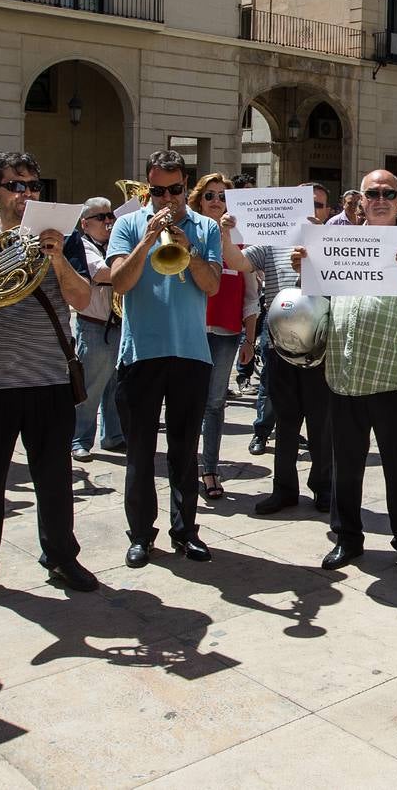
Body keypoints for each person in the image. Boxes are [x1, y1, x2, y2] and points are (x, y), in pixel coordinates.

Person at [0, 152, 98, 611]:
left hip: (48, 378)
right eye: (16, 185)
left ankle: (62, 558)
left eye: (33, 185)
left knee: (55, 478)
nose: (26, 194)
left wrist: (57, 261)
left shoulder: (61, 241)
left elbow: (84, 299)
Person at [306, 169, 397, 574]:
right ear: (359, 200)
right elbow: (320, 294)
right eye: (372, 193)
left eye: (387, 193)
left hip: (392, 376)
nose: (379, 199)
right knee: (346, 465)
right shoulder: (339, 242)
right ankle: (348, 538)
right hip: (344, 373)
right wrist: (303, 265)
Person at [108, 151, 223, 567]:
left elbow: (210, 287)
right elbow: (120, 281)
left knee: (183, 450)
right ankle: (140, 534)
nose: (167, 199)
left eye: (175, 190)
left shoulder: (206, 226)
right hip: (141, 353)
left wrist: (188, 248)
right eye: (158, 191)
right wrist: (147, 237)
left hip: (192, 352)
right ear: (148, 188)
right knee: (140, 451)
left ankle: (185, 530)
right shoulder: (126, 224)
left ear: (184, 186)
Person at [239, 181, 334, 515]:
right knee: (286, 420)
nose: (312, 211)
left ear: (328, 212)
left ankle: (323, 487)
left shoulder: (337, 244)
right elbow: (238, 262)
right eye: (307, 204)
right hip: (280, 347)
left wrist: (311, 269)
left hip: (320, 350)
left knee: (321, 423)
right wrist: (226, 231)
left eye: (320, 206)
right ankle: (284, 490)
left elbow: (345, 293)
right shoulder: (272, 241)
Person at [192, 173, 259, 499]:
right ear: (199, 200)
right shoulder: (185, 235)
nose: (216, 201)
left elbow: (250, 295)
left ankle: (209, 469)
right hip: (188, 333)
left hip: (225, 334)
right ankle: (184, 465)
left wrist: (249, 339)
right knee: (186, 402)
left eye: (222, 196)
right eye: (210, 196)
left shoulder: (242, 242)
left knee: (214, 404)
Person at [67, 196, 122, 462]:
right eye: (101, 217)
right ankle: (79, 439)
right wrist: (130, 268)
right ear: (85, 224)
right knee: (89, 388)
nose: (109, 221)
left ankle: (113, 435)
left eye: (110, 215)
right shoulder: (81, 245)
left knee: (115, 387)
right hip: (94, 326)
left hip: (118, 324)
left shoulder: (114, 244)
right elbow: (102, 274)